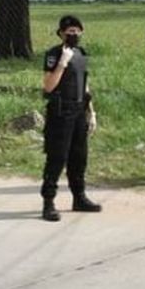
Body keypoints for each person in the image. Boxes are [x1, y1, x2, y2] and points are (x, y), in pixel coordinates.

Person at [40, 14, 101, 221]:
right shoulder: (54, 54)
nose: (73, 34)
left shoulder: (81, 53)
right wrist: (62, 64)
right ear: (61, 34)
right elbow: (48, 85)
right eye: (69, 31)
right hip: (60, 112)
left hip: (78, 111)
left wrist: (90, 111)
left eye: (76, 31)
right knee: (57, 157)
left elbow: (84, 85)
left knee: (79, 157)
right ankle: (48, 202)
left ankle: (79, 197)